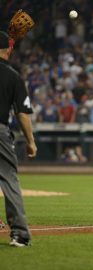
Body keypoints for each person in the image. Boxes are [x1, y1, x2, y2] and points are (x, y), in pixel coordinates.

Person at [0, 31, 37, 246]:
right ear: (9, 49)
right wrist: (30, 141)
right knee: (9, 178)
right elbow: (22, 113)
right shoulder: (12, 75)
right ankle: (20, 233)